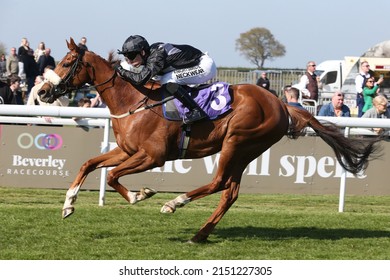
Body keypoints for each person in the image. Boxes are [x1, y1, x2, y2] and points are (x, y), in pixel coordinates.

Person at [115, 35, 217, 124]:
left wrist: (121, 70)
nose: (129, 60)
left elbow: (140, 79)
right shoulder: (149, 56)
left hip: (204, 66)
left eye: (131, 55)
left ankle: (196, 110)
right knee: (162, 79)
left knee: (166, 79)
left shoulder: (156, 56)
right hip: (193, 64)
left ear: (142, 52)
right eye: (126, 56)